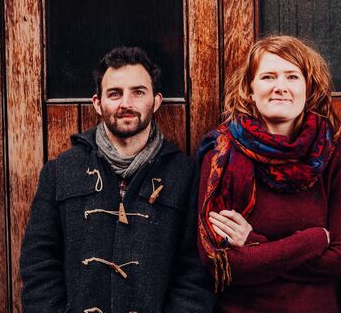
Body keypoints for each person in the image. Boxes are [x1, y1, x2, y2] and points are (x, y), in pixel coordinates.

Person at [19, 46, 213, 312]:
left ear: (155, 101)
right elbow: (39, 264)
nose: (126, 103)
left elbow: (195, 271)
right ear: (98, 103)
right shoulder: (60, 171)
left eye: (138, 92)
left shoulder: (185, 175)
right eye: (114, 94)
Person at [197, 35, 341, 312]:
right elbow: (220, 262)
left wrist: (253, 243)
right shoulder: (222, 155)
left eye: (292, 77)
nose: (280, 87)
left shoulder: (335, 154)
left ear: (308, 89)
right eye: (268, 77)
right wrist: (313, 240)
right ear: (250, 89)